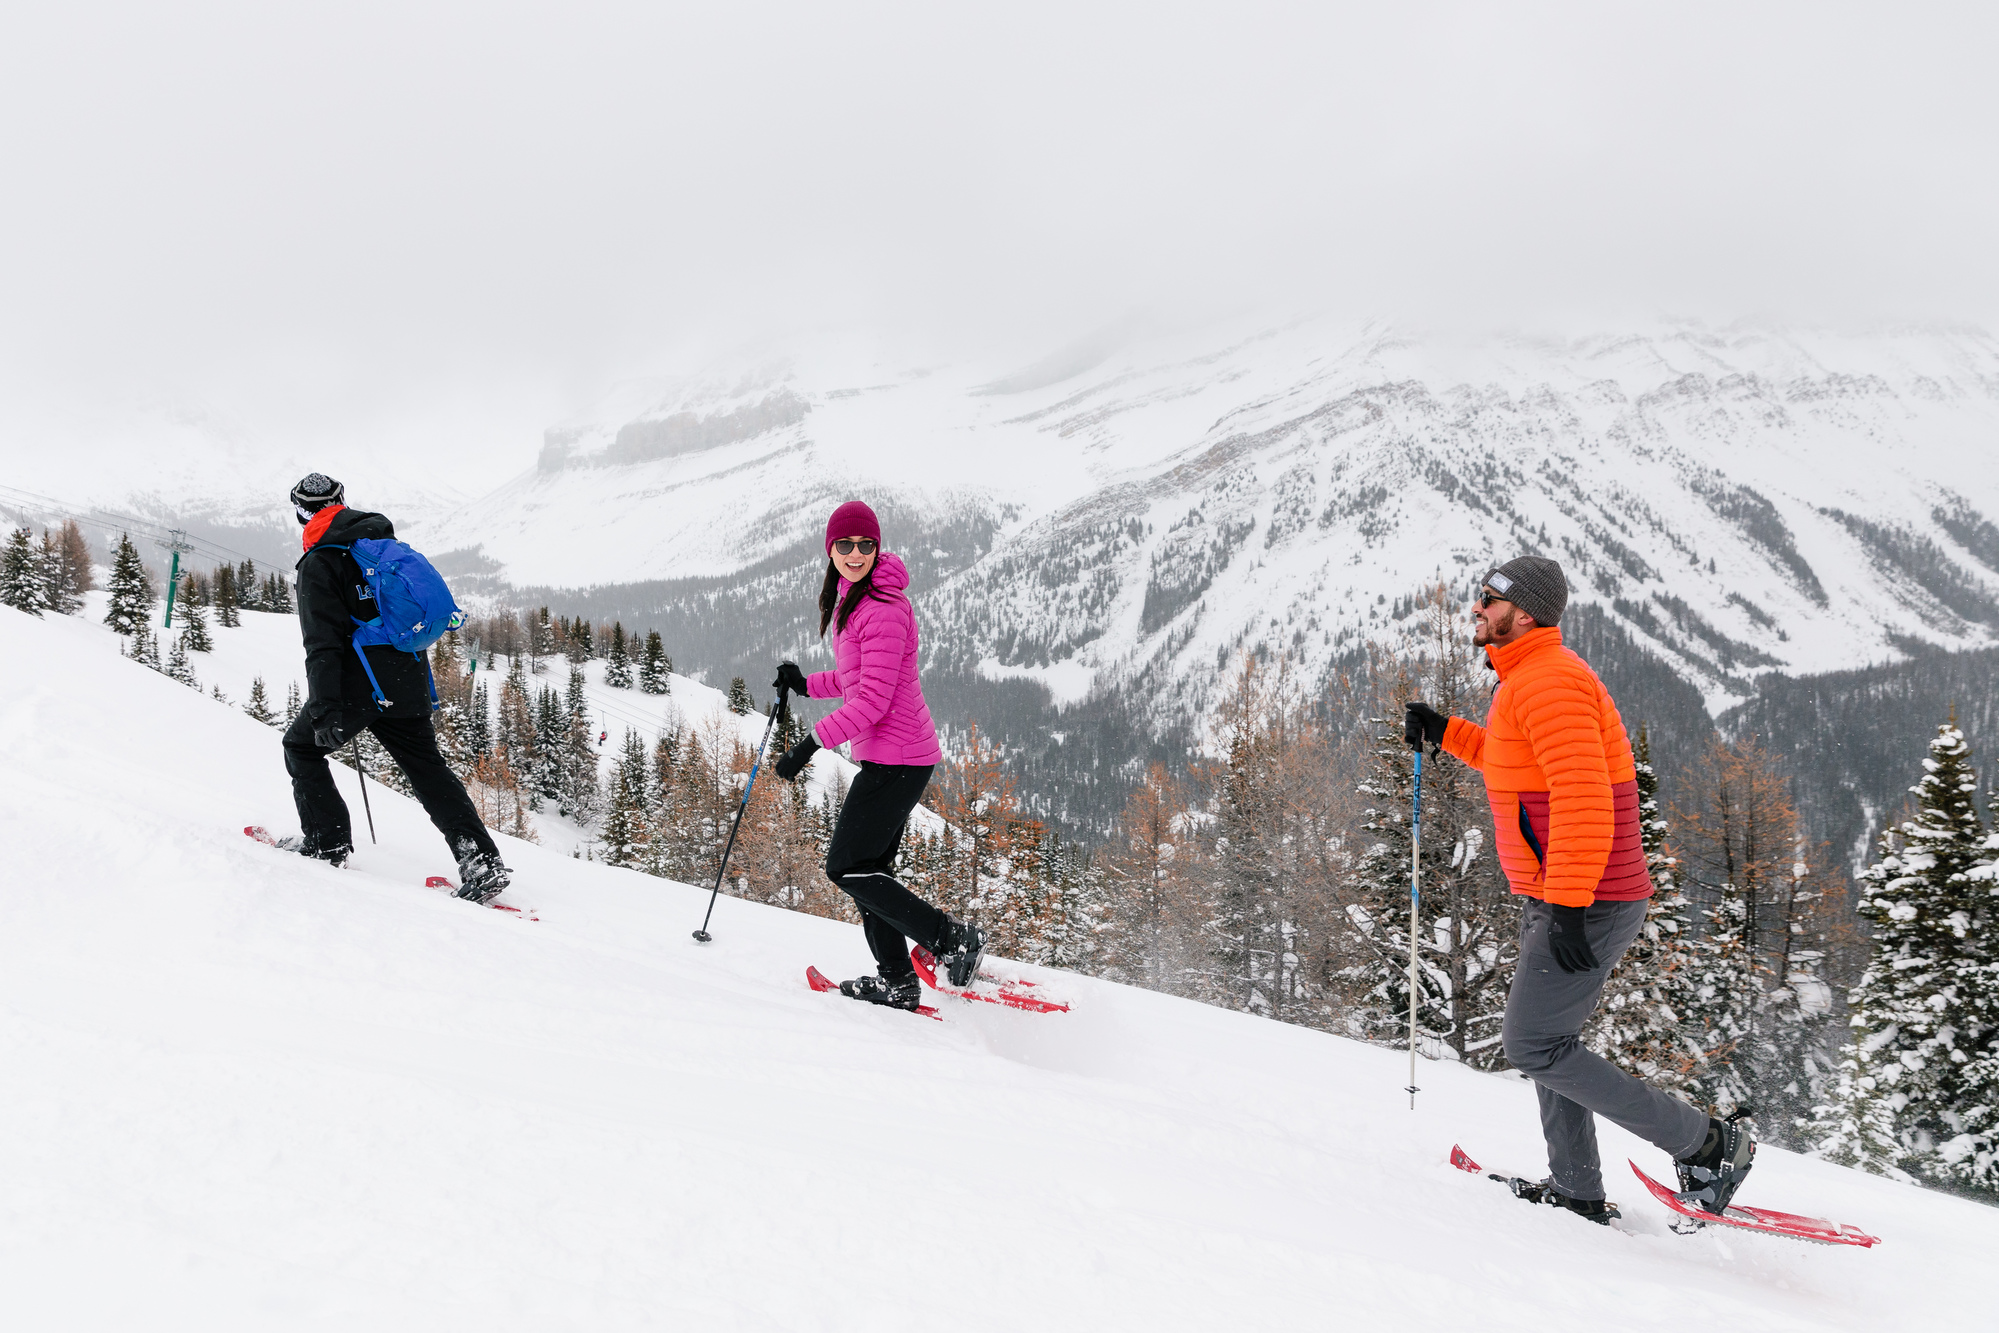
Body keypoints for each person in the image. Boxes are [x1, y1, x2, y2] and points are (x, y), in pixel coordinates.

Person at [1404, 556, 1754, 1223]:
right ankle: (1577, 1187)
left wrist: (1566, 902)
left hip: (1589, 897)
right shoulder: (1526, 680)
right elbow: (1519, 765)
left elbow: (1582, 796)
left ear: (1525, 612)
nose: (1476, 606)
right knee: (1546, 1038)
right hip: (1570, 893)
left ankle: (1708, 1143)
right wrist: (1446, 732)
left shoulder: (1549, 681)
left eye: (1489, 598)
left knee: (1533, 1043)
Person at [768, 499, 985, 1010]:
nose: (855, 552)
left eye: (866, 544)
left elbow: (871, 702)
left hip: (900, 759)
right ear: (831, 550)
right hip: (894, 757)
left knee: (845, 866)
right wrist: (804, 683)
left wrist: (808, 745)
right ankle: (897, 981)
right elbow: (856, 679)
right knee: (869, 871)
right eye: (845, 544)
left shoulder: (882, 609)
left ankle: (953, 938)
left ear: (877, 548)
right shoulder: (858, 600)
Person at [279, 473, 513, 902]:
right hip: (406, 674)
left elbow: (323, 644)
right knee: (427, 769)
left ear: (299, 512)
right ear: (342, 500)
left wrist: (326, 708)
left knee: (301, 747)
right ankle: (482, 861)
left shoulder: (319, 563)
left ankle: (325, 843)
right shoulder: (380, 544)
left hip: (359, 683)